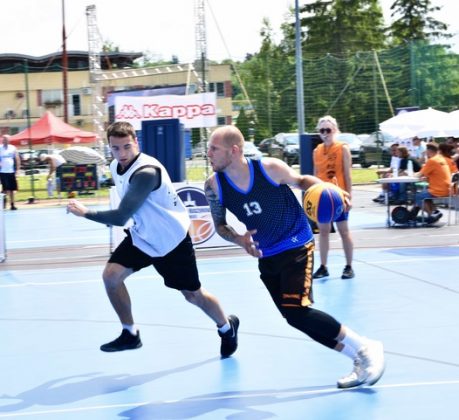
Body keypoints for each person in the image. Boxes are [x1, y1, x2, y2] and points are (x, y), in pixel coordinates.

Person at [204, 125, 385, 389]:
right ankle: (357, 358)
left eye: (213, 148)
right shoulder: (214, 186)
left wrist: (326, 189)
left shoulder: (268, 168)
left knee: (296, 310)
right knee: (294, 317)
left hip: (296, 243)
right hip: (267, 254)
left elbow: (302, 182)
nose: (208, 153)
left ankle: (366, 347)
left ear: (234, 150)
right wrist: (239, 239)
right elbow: (220, 225)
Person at [66, 121, 239, 357]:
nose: (123, 153)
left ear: (136, 142)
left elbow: (120, 216)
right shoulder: (117, 165)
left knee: (192, 295)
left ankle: (227, 326)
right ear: (110, 148)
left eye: (127, 146)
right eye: (116, 148)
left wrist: (84, 212)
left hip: (171, 241)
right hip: (142, 236)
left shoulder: (146, 173)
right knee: (111, 277)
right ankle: (130, 333)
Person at [312, 116, 355, 279]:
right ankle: (323, 266)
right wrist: (313, 197)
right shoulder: (316, 151)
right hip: (323, 197)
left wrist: (349, 196)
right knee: (323, 231)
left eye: (328, 130)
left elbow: (348, 174)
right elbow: (316, 175)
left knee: (344, 231)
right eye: (322, 130)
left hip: (339, 196)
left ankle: (349, 266)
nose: (325, 133)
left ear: (335, 130)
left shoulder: (343, 148)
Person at [410, 142, 451, 224]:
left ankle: (431, 215)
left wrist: (410, 174)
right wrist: (427, 177)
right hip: (447, 188)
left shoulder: (432, 161)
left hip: (438, 190)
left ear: (429, 151)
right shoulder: (441, 158)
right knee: (424, 194)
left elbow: (418, 175)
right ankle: (435, 211)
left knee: (418, 196)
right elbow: (436, 173)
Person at [0, 134, 21, 210]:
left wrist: (18, 170)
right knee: (5, 189)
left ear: (9, 140)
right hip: (2, 172)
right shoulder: (0, 148)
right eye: (3, 139)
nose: (4, 140)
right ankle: (3, 204)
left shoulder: (13, 148)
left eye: (6, 139)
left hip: (11, 171)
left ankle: (12, 205)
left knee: (12, 189)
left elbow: (17, 159)